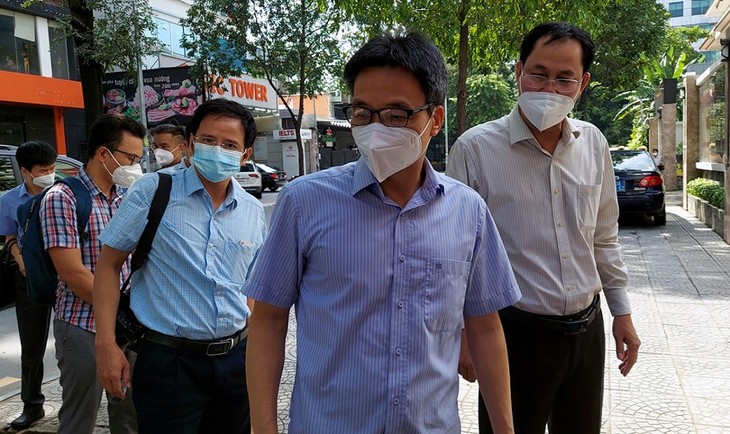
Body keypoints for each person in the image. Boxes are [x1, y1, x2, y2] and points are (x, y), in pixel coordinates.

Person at [244, 31, 521, 434]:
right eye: (362, 113)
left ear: (435, 119)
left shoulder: (468, 211)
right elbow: (268, 319)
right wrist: (263, 428)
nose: (377, 129)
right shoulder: (305, 202)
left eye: (397, 115)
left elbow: (484, 327)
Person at [446, 22, 641, 434]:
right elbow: (458, 253)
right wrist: (463, 332)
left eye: (564, 78)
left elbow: (604, 237)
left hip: (586, 332)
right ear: (518, 72)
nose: (549, 88)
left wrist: (621, 312)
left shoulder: (594, 143)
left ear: (582, 83)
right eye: (538, 73)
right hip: (515, 335)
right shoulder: (475, 149)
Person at [94, 99, 266, 434]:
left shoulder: (252, 210)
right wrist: (106, 345)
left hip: (235, 360)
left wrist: (254, 351)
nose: (218, 150)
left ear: (245, 155)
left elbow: (251, 287)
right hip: (167, 362)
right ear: (189, 143)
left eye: (230, 145)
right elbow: (108, 266)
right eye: (208, 140)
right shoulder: (153, 190)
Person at [40, 114, 145, 434]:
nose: (135, 166)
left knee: (130, 413)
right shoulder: (63, 198)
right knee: (80, 416)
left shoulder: (128, 197)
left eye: (139, 159)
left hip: (127, 324)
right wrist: (115, 312)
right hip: (82, 326)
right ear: (103, 154)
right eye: (130, 158)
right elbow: (71, 271)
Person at [0, 141, 56, 429]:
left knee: (77, 340)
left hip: (66, 272)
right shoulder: (9, 200)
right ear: (25, 172)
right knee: (32, 344)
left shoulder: (62, 194)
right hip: (29, 276)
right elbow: (8, 235)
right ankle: (32, 405)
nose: (50, 174)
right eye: (43, 170)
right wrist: (18, 257)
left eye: (52, 168)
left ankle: (81, 396)